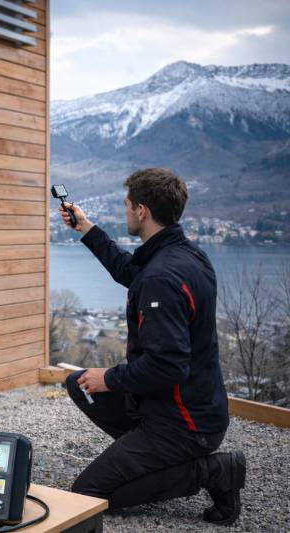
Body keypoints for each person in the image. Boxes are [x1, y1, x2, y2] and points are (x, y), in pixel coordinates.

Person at [57, 168, 246, 525]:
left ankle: (213, 470)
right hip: (184, 406)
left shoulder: (162, 277)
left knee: (87, 496)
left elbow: (167, 366)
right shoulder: (186, 255)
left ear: (142, 211)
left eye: (128, 205)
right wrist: (87, 228)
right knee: (79, 385)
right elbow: (131, 272)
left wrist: (109, 378)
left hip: (185, 424)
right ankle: (146, 458)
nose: (125, 211)